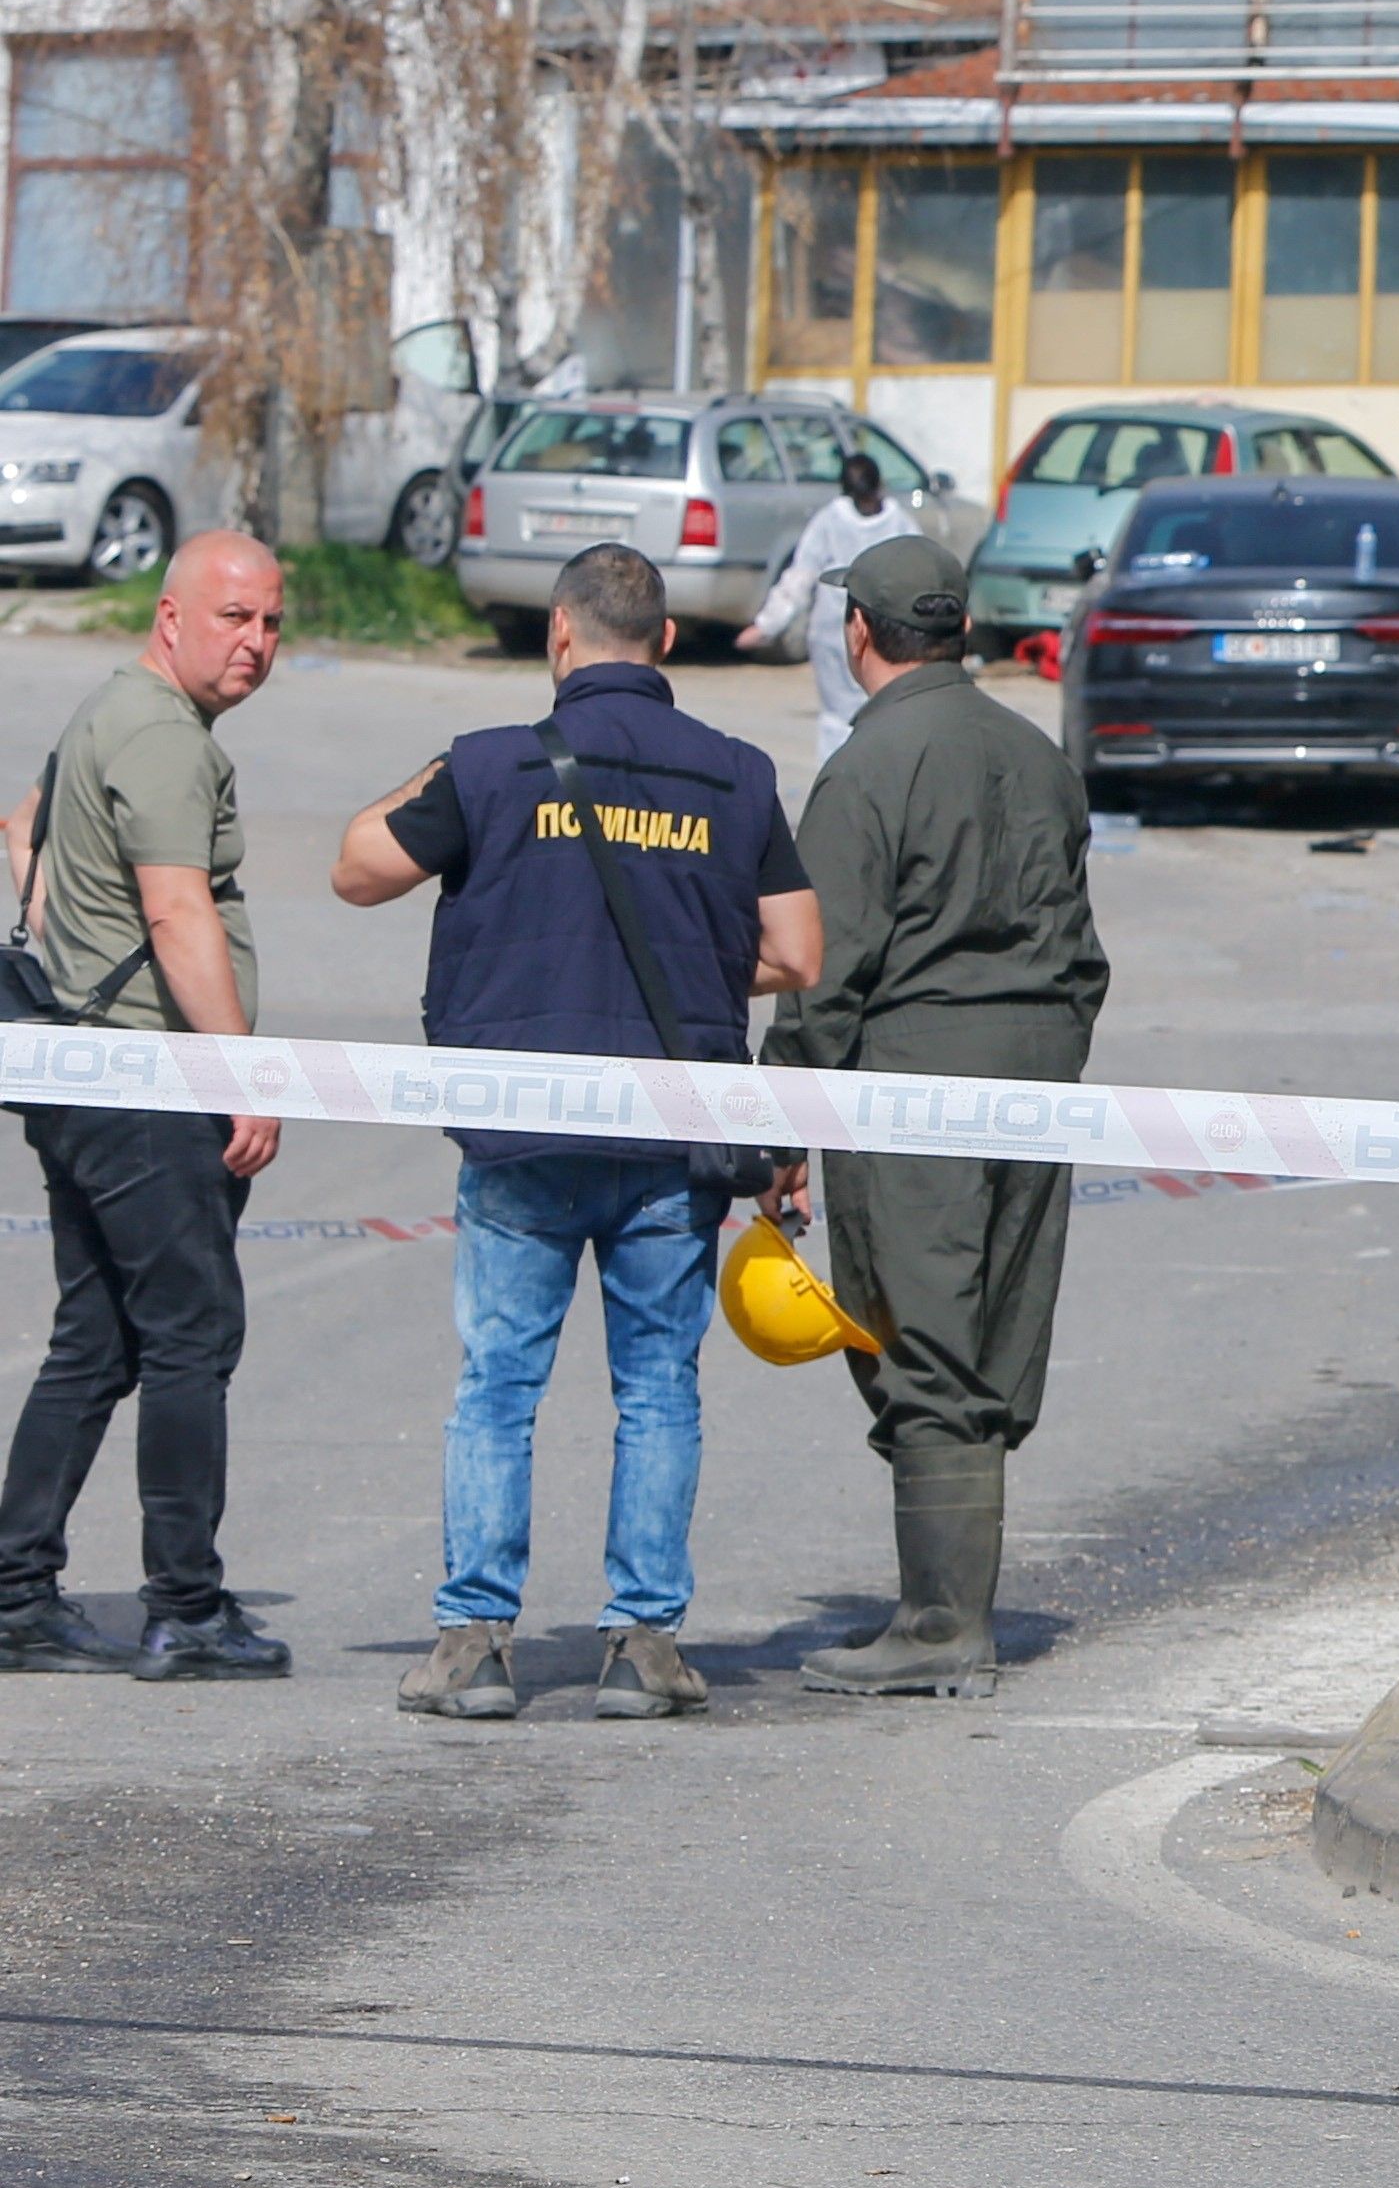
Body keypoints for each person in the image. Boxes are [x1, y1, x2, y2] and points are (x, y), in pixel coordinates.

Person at [335, 541, 820, 1723]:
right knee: (658, 1388)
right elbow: (799, 953)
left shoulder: (493, 768)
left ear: (559, 638)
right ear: (663, 643)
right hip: (674, 1138)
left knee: (499, 1383)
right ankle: (644, 1645)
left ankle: (474, 1644)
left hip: (522, 1137)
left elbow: (357, 868)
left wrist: (445, 773)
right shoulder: (737, 774)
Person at [764, 536, 1106, 1699]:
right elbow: (1082, 953)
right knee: (991, 1334)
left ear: (859, 632)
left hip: (913, 1082)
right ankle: (952, 1611)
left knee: (921, 1338)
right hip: (1036, 1077)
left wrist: (774, 1124)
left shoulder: (868, 769)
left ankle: (939, 1624)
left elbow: (820, 967)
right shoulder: (1036, 756)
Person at [0, 533, 289, 1683]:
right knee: (191, 1335)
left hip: (81, 1071)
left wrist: (72, 940)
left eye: (271, 621)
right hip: (146, 1086)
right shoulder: (165, 736)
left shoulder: (110, 709)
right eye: (233, 618)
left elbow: (23, 824)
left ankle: (18, 1591)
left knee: (100, 1338)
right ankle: (188, 1609)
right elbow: (177, 914)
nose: (257, 643)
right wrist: (239, 1073)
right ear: (170, 616)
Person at [747, 436, 934, 766]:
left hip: (833, 632)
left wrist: (767, 625)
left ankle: (836, 785)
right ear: (880, 485)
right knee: (884, 709)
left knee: (837, 719)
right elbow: (921, 574)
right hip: (887, 633)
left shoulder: (829, 520)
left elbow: (800, 576)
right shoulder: (899, 521)